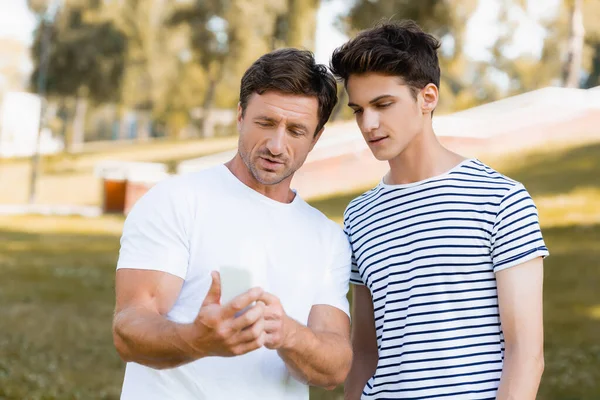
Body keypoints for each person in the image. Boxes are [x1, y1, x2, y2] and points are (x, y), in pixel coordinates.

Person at [112, 48, 353, 400]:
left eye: (296, 130)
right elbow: (128, 329)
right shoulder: (176, 201)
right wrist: (197, 339)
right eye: (265, 123)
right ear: (240, 115)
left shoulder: (327, 238)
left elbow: (335, 368)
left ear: (315, 138)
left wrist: (288, 333)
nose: (276, 145)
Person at [330, 21, 548, 400]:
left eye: (383, 105)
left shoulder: (500, 199)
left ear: (427, 97)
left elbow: (525, 355)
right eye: (358, 110)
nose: (369, 124)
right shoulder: (358, 215)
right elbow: (365, 351)